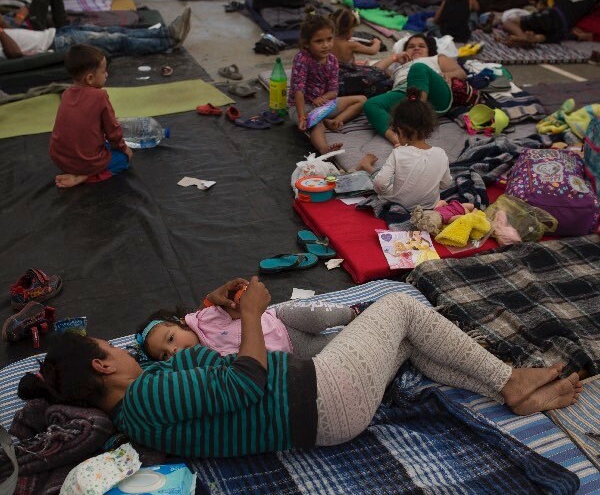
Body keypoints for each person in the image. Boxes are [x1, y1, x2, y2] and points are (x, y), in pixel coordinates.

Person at [18, 276, 582, 459]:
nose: (128, 351)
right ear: (102, 363)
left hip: (324, 405)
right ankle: (511, 382)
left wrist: (219, 308)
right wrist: (257, 314)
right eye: (113, 349)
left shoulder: (143, 403)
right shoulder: (146, 402)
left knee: (404, 346)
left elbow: (199, 364)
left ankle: (505, 387)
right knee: (402, 305)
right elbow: (246, 380)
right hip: (324, 399)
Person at [137, 278, 372, 361]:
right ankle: (365, 327)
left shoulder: (204, 319)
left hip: (281, 320)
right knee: (336, 343)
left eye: (170, 339)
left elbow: (237, 310)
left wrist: (237, 300)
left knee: (321, 315)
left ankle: (353, 313)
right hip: (291, 350)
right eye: (165, 355)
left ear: (181, 323)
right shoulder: (202, 365)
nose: (174, 350)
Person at [49, 44, 133, 188]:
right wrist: (124, 149)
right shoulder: (100, 96)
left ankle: (80, 171)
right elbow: (113, 131)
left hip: (60, 159)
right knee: (123, 160)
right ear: (90, 78)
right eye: (103, 71)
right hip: (86, 162)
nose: (106, 74)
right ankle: (84, 176)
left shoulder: (66, 94)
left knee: (105, 146)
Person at [357, 87, 452, 211]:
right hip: (429, 206)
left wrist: (385, 193)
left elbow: (380, 183)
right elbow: (446, 183)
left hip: (400, 204)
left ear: (400, 130)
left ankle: (366, 166)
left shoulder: (398, 153)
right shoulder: (441, 154)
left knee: (388, 179)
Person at [288, 8, 367, 154]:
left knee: (362, 100)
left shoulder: (332, 60)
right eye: (319, 41)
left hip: (324, 105)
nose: (326, 45)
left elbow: (333, 91)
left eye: (329, 39)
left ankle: (335, 121)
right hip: (301, 107)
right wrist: (301, 117)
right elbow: (298, 90)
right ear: (306, 43)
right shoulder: (302, 59)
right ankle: (325, 150)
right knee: (315, 123)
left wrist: (323, 98)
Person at [363, 33, 467, 146]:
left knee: (418, 67)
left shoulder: (436, 58)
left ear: (429, 50)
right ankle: (396, 136)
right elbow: (372, 72)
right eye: (411, 46)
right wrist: (394, 58)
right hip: (405, 93)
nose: (416, 48)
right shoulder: (399, 67)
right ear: (405, 51)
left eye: (421, 46)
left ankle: (416, 120)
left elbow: (461, 73)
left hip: (435, 91)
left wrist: (448, 74)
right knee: (370, 104)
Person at [0, 7, 191, 59]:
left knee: (116, 31)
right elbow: (15, 53)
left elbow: (9, 28)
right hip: (59, 45)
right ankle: (169, 39)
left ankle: (166, 33)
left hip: (57, 34)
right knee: (119, 40)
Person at [502, 0, 597, 47]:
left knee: (508, 22)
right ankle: (534, 39)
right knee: (545, 36)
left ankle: (524, 37)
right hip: (565, 29)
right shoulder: (593, 1)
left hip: (554, 16)